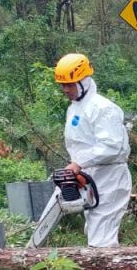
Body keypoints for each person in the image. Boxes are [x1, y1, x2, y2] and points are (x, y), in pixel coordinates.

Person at [53, 53, 132, 247]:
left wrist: (78, 163)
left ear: (84, 81)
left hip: (109, 177)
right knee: (94, 229)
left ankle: (107, 266)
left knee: (102, 237)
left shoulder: (102, 108)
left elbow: (112, 146)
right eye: (63, 85)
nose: (66, 90)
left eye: (70, 85)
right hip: (90, 177)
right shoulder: (75, 108)